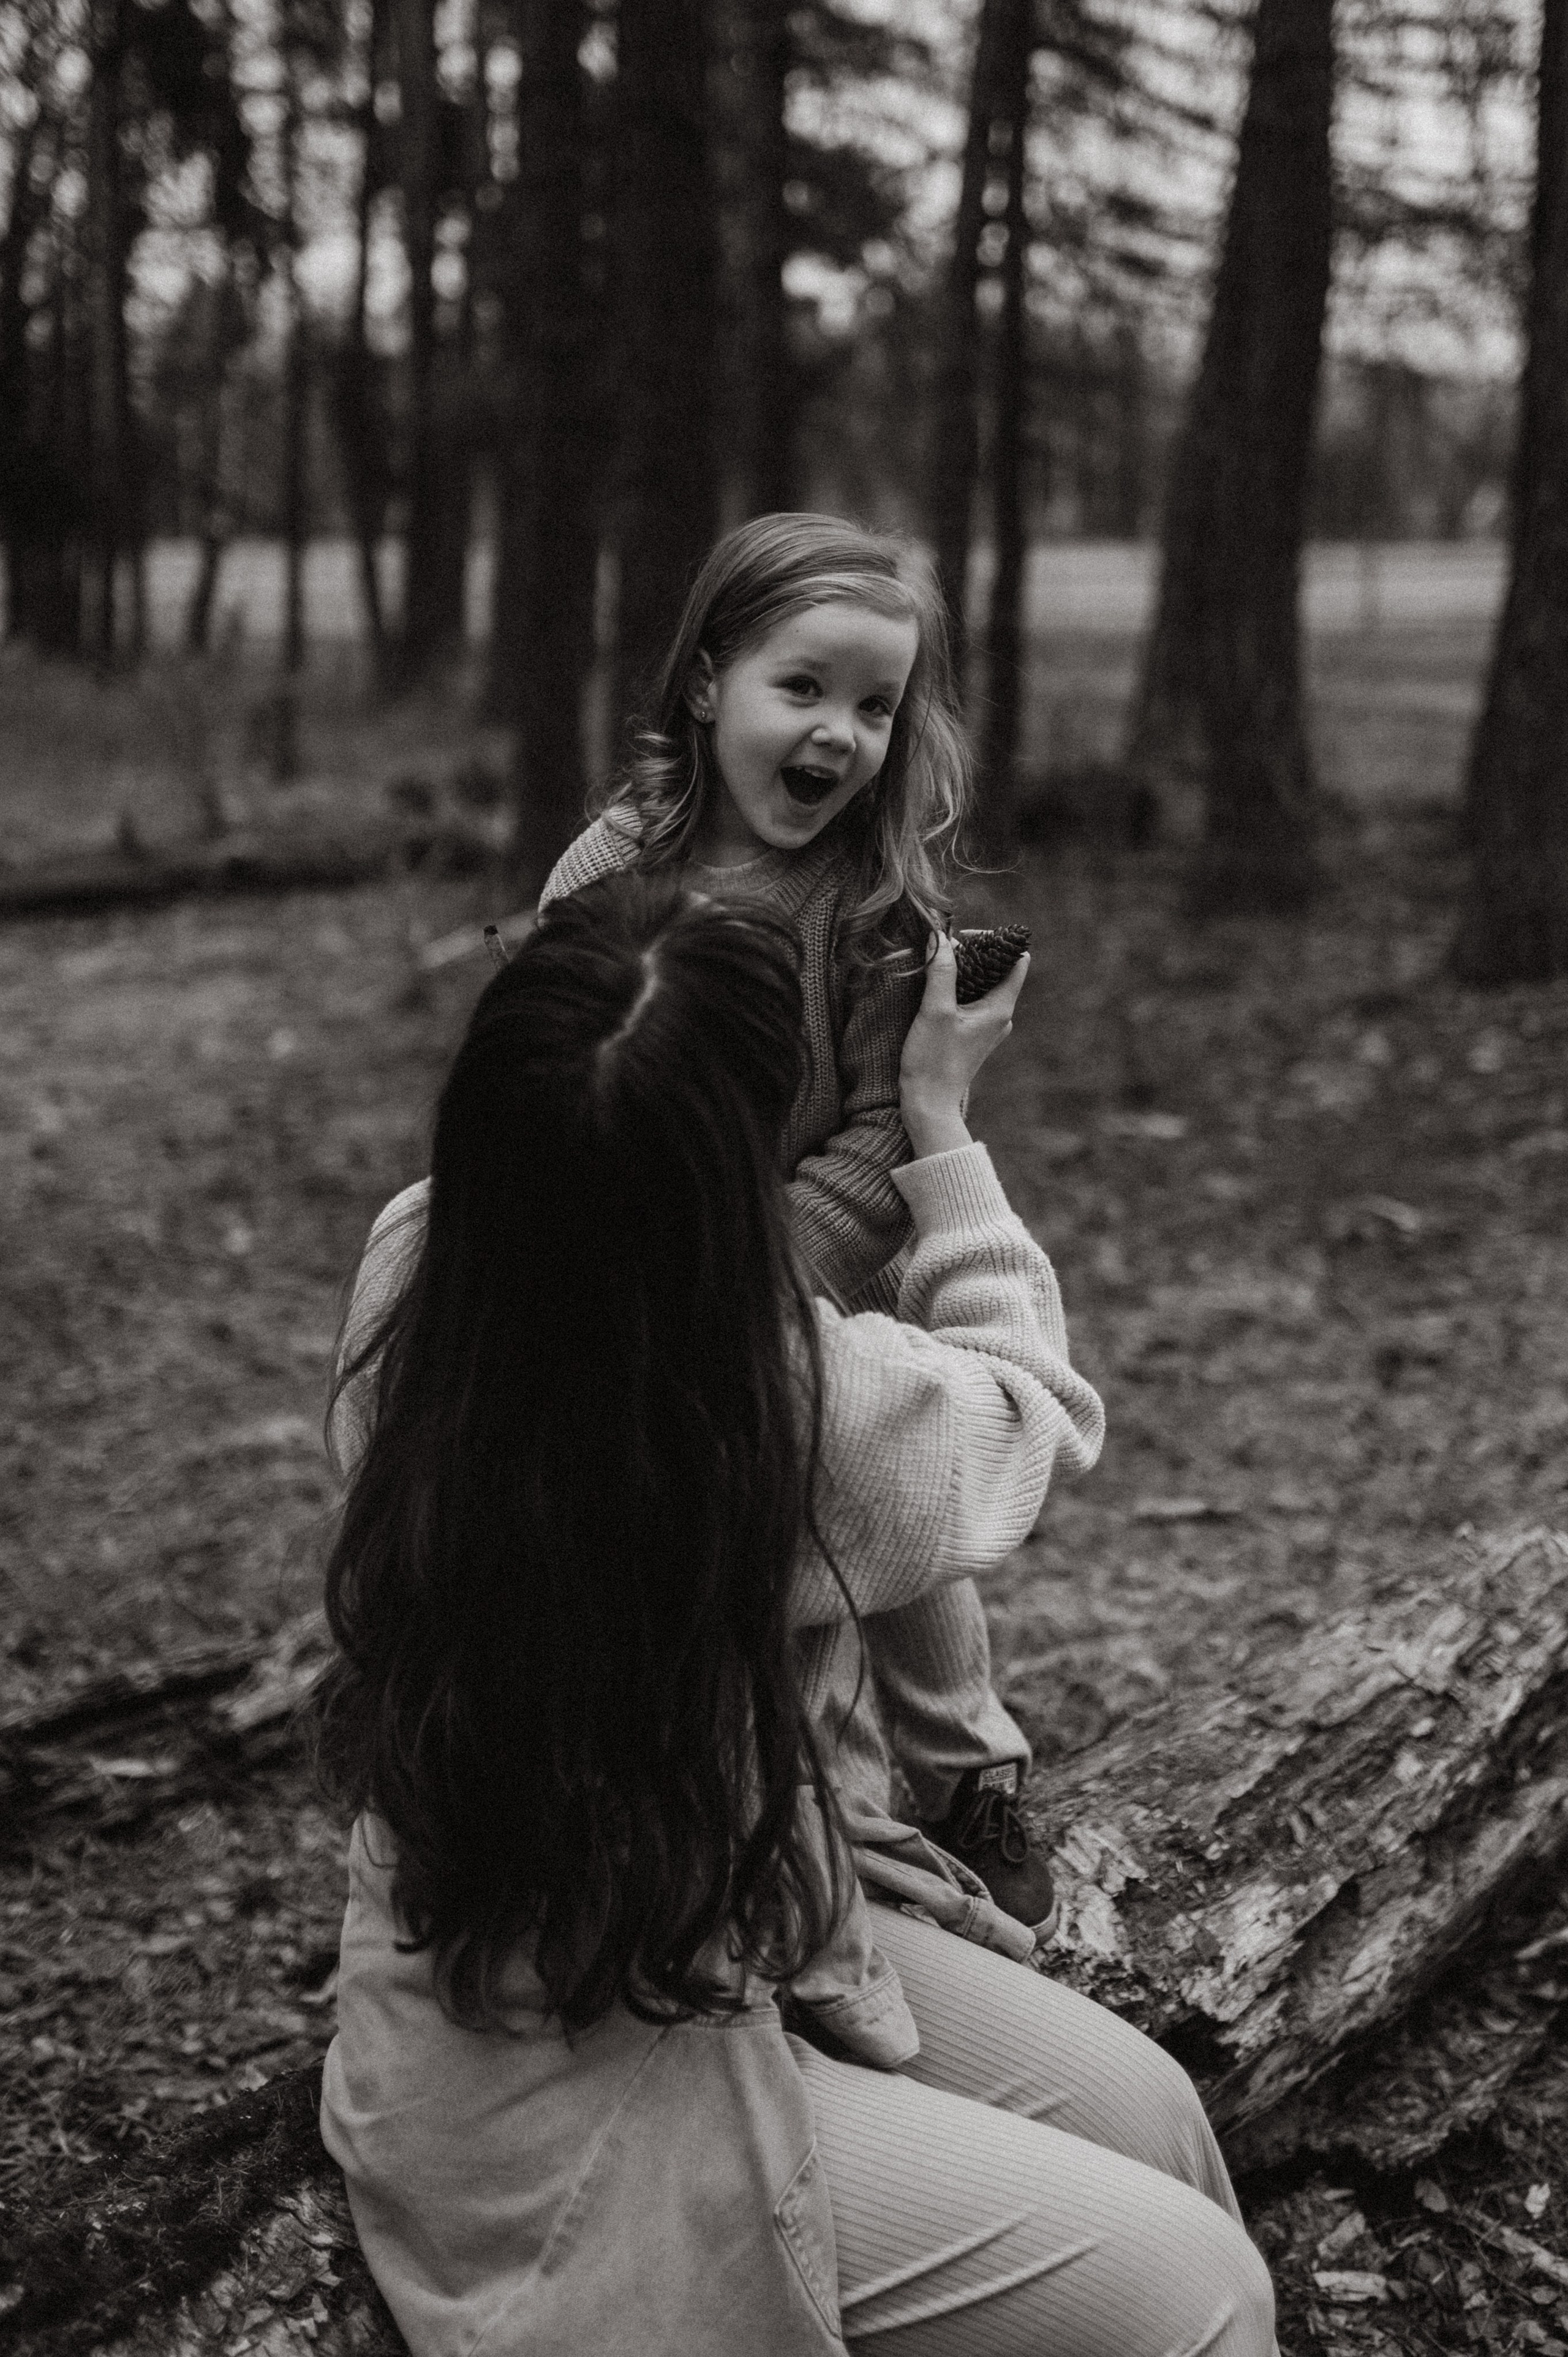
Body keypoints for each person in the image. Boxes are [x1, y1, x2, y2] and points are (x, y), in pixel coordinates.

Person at [315, 873, 1276, 2357]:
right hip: (561, 2057)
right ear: (736, 1172)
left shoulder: (418, 1272)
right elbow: (1030, 1418)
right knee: (1200, 2293)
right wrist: (941, 1126)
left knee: (1149, 2114)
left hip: (671, 1904)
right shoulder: (772, 1411)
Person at [537, 511, 1052, 1931]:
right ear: (707, 683)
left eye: (875, 705)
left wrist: (776, 1260)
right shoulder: (608, 868)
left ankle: (965, 1766)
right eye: (802, 687)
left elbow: (891, 1116)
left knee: (895, 1511)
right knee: (718, 1528)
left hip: (816, 1262)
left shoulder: (871, 907)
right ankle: (755, 1783)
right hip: (640, 1262)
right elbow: (559, 1070)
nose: (838, 731)